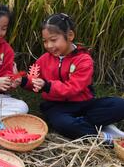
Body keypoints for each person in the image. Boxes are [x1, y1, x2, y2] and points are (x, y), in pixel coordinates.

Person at [22, 13, 124, 142]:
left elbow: (74, 88)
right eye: (45, 41)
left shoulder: (83, 60)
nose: (48, 45)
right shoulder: (44, 60)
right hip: (57, 106)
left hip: (84, 104)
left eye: (53, 40)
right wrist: (23, 81)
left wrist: (47, 85)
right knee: (63, 124)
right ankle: (104, 136)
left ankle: (83, 125)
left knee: (120, 105)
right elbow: (34, 82)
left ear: (70, 35)